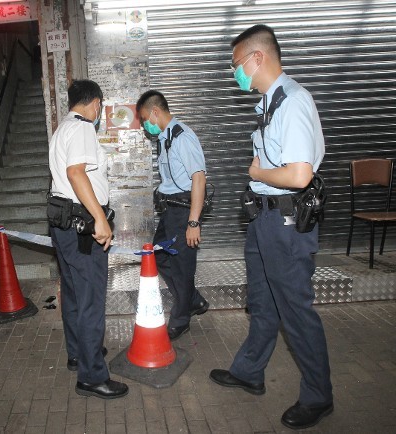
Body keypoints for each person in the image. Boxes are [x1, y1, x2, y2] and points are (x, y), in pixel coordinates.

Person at [209, 25, 333, 430]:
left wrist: (257, 173)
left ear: (257, 58)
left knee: (295, 311)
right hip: (264, 219)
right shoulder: (268, 104)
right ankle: (249, 372)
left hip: (285, 222)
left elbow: (298, 175)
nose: (234, 73)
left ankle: (318, 397)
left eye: (236, 64)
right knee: (262, 303)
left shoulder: (293, 102)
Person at [48, 79, 128, 399]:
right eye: (100, 106)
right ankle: (92, 376)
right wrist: (100, 218)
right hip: (82, 226)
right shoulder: (82, 127)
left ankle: (78, 354)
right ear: (95, 103)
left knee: (73, 295)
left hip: (63, 224)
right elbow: (76, 173)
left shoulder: (62, 129)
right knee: (91, 300)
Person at [136, 90, 209, 341]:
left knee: (182, 267)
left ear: (155, 112)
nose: (145, 125)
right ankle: (193, 299)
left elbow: (199, 179)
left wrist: (193, 222)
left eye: (145, 118)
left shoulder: (182, 137)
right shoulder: (165, 138)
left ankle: (181, 318)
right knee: (159, 256)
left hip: (183, 211)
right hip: (170, 211)